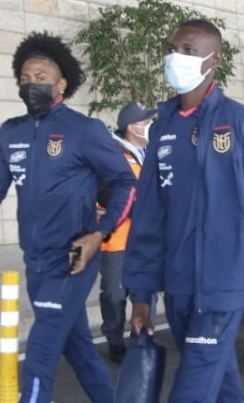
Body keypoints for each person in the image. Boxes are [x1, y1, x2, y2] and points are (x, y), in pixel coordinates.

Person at [0, 32, 138, 403]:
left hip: (74, 258)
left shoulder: (84, 130)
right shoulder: (12, 133)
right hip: (36, 261)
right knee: (79, 349)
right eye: (25, 78)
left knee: (40, 352)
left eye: (41, 77)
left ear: (61, 84)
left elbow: (125, 182)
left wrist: (100, 234)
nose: (31, 84)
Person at [125, 19, 244, 403]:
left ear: (215, 59)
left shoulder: (243, 126)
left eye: (188, 51)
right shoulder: (162, 129)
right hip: (178, 286)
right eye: (172, 49)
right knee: (224, 389)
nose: (175, 58)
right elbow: (148, 217)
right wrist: (141, 293)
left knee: (191, 392)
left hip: (223, 289)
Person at [98, 101, 157, 362]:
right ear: (133, 128)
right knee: (114, 294)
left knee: (146, 291)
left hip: (145, 239)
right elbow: (108, 195)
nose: (150, 127)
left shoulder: (150, 153)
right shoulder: (110, 155)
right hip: (117, 240)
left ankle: (141, 339)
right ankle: (114, 340)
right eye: (146, 123)